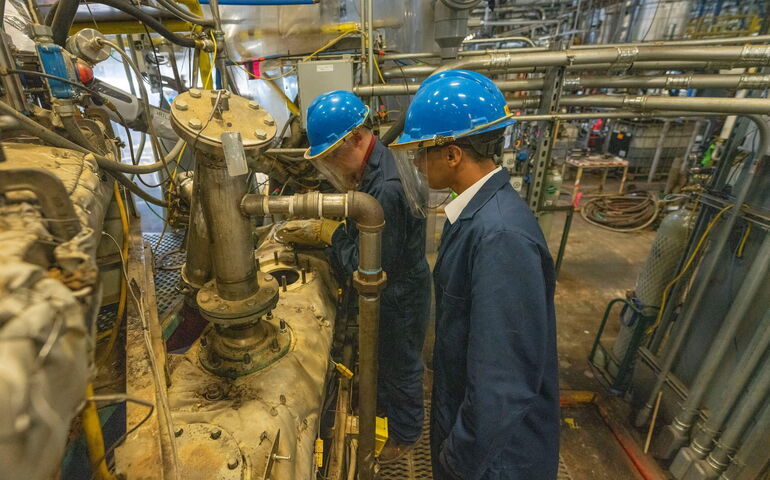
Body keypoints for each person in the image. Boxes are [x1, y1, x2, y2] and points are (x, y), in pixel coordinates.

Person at [390, 70, 560, 480]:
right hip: (473, 435)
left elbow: (503, 380)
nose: (416, 164)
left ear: (452, 155)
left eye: (421, 152)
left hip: (494, 461)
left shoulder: (500, 236)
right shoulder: (473, 213)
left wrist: (458, 460)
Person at [278, 90, 431, 462]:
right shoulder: (376, 165)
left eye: (333, 154)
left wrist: (330, 234)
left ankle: (406, 434)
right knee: (386, 359)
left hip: (398, 295)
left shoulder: (386, 190)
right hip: (400, 283)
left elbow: (370, 265)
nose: (331, 164)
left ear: (356, 138)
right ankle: (382, 408)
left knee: (400, 364)